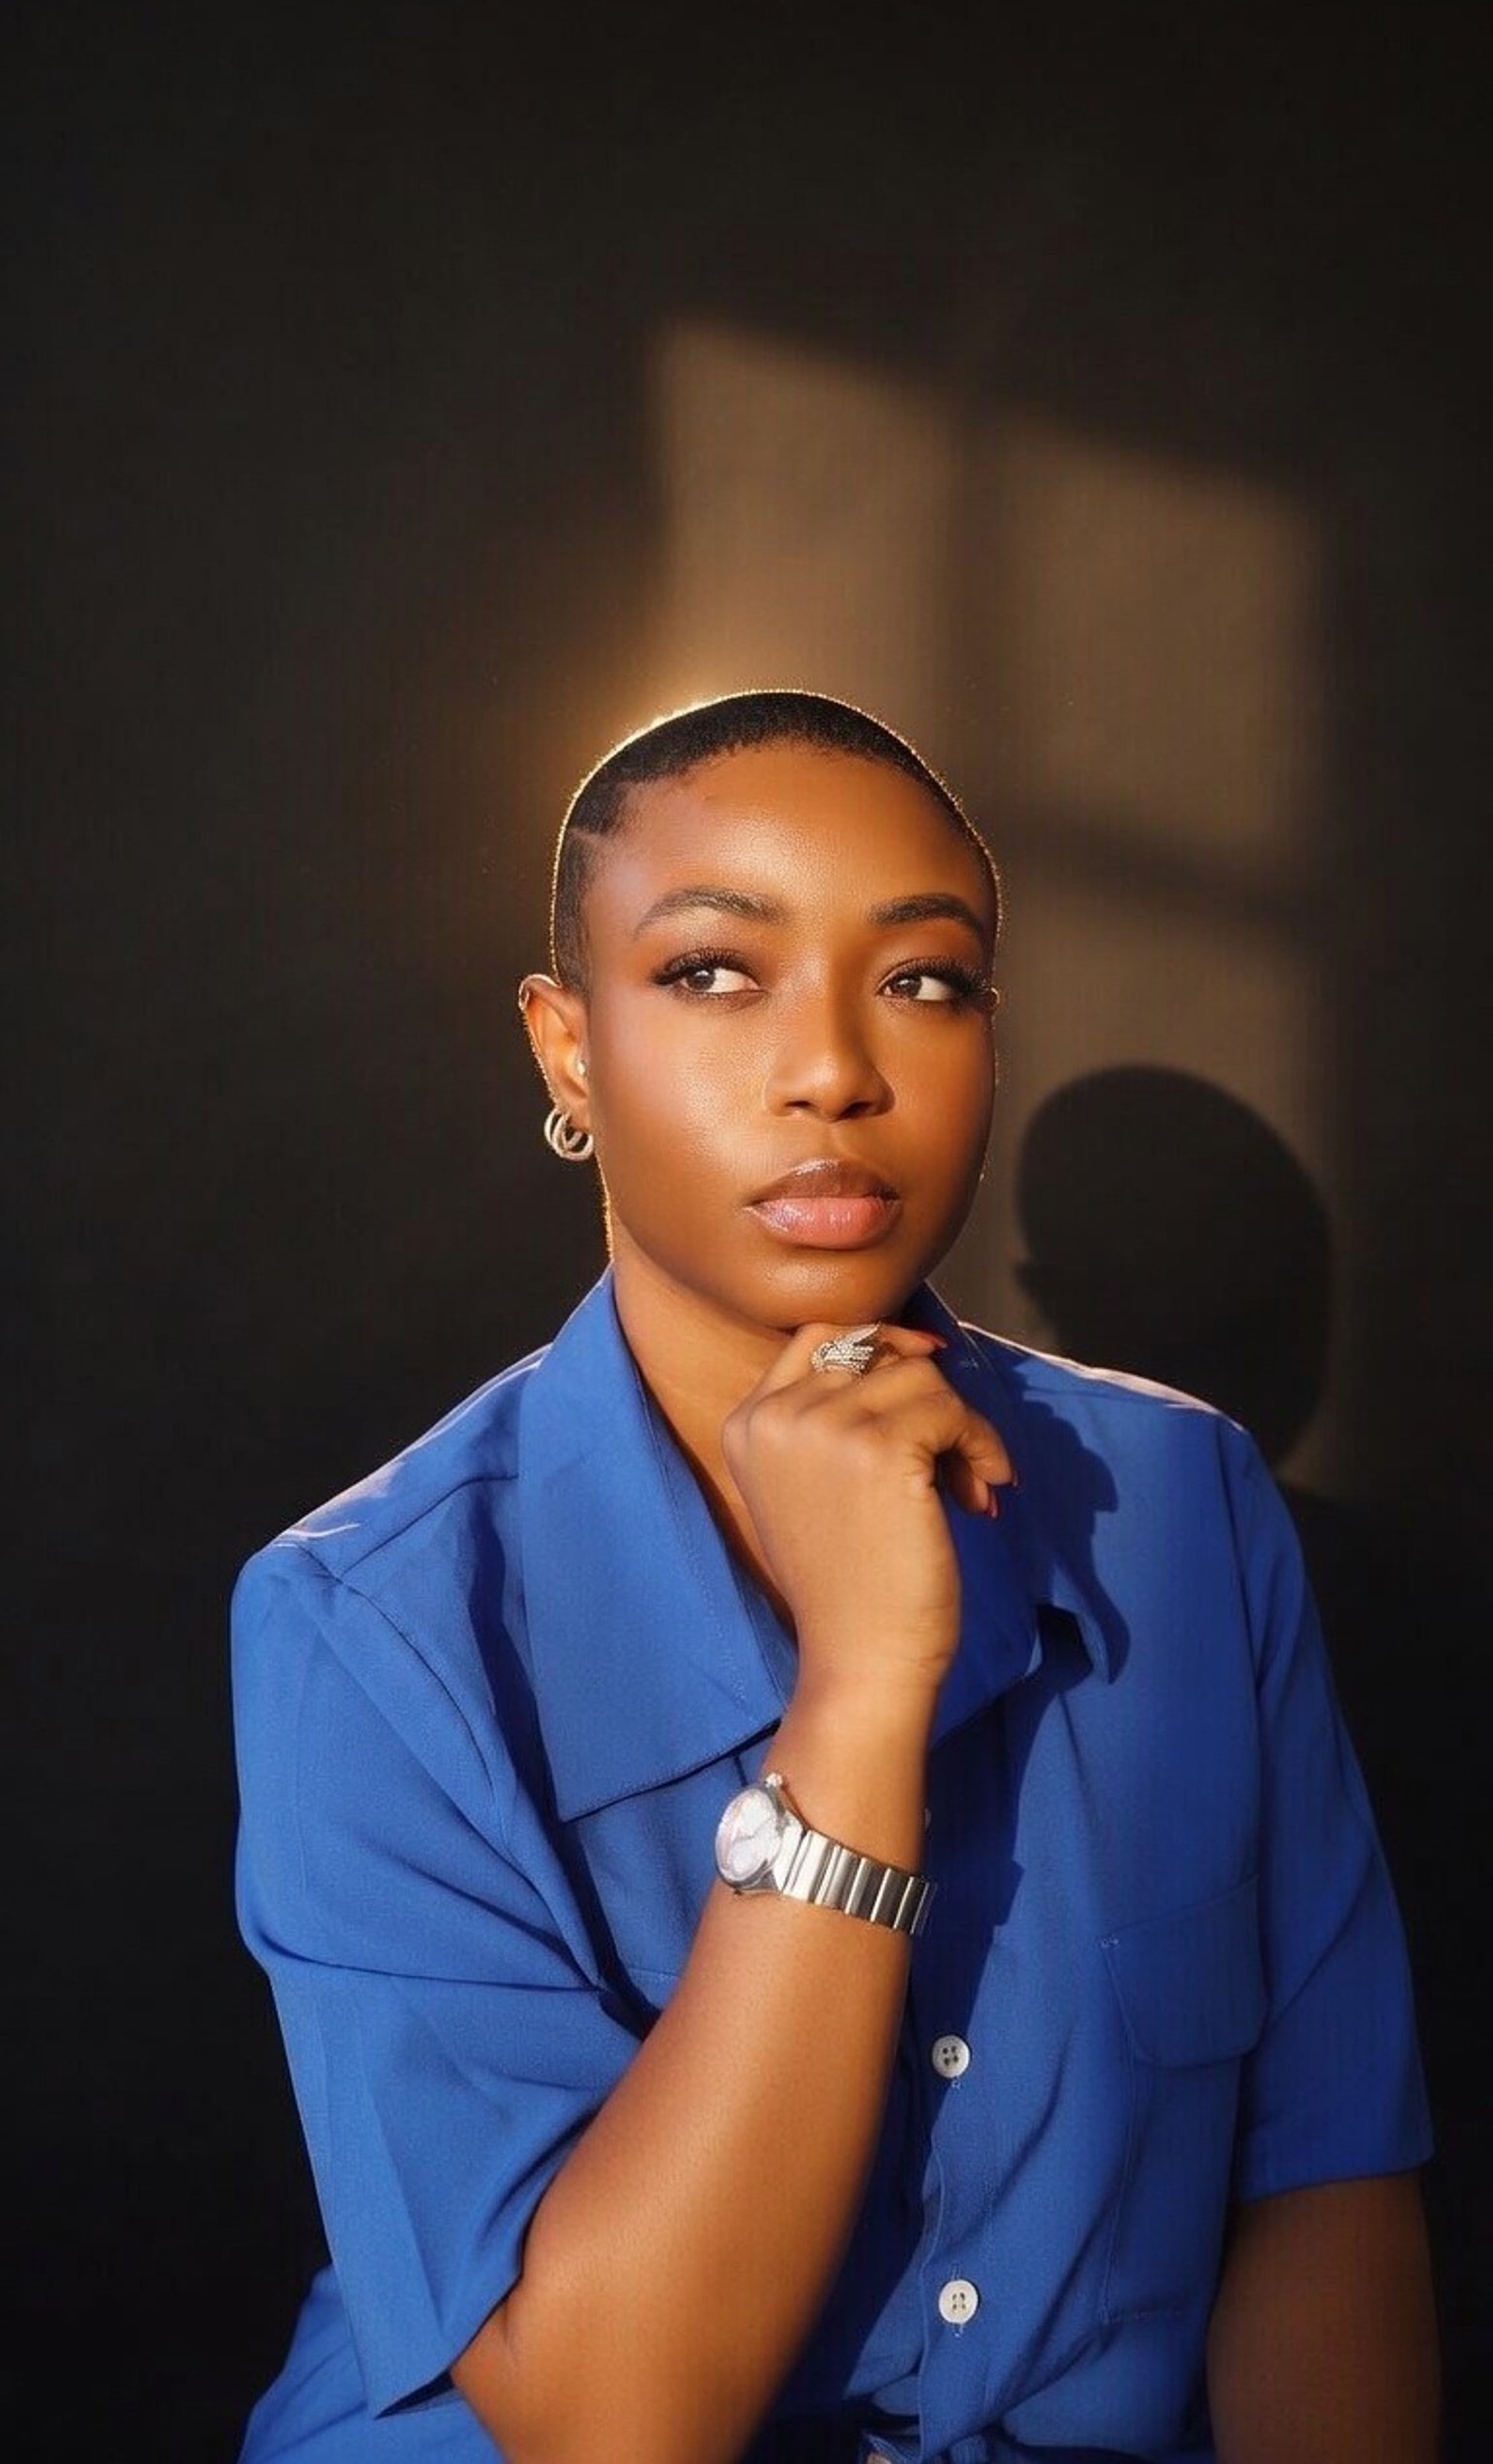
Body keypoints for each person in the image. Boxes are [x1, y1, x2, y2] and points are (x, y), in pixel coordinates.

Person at [229, 688, 1439, 2464]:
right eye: (715, 971)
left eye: (925, 980)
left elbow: (1319, 2182)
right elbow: (610, 2422)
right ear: (569, 1052)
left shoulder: (1181, 1505)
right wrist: (863, 1692)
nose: (835, 1070)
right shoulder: (371, 1624)